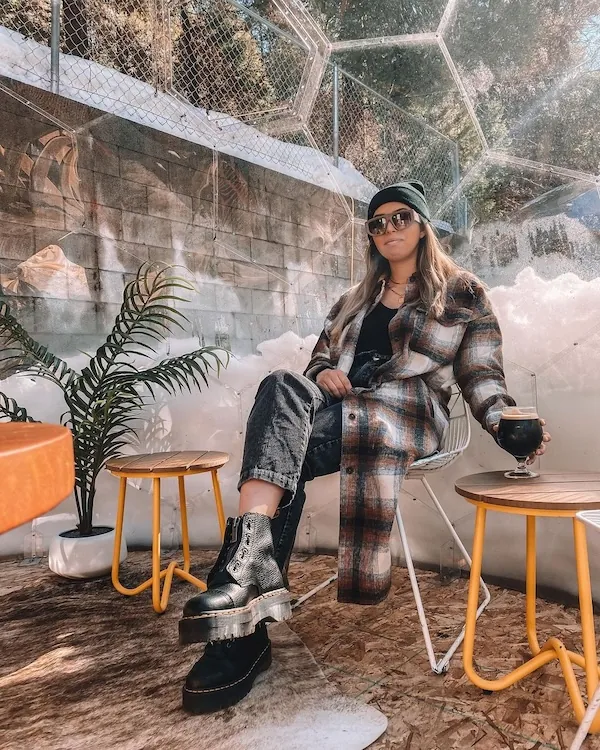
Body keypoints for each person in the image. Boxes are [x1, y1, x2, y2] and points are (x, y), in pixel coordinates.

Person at [178, 181, 551, 714]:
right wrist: (325, 372)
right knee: (282, 386)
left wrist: (509, 423)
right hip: (341, 409)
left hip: (407, 413)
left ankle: (239, 627)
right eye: (376, 223)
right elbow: (316, 367)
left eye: (400, 218)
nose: (388, 229)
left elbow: (481, 376)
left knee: (288, 453)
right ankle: (249, 580)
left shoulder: (462, 293)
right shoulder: (352, 301)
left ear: (423, 224)